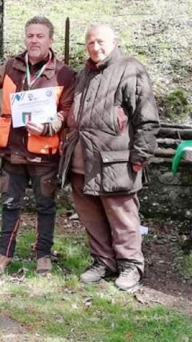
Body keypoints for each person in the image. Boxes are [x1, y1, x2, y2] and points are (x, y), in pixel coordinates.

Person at [0, 16, 76, 276]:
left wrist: (49, 127)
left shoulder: (64, 74)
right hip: (13, 152)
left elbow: (68, 112)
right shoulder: (12, 67)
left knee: (45, 207)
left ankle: (43, 256)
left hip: (44, 154)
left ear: (51, 40)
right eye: (30, 35)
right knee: (10, 204)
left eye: (40, 36)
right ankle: (4, 253)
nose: (34, 40)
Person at [60, 24, 159, 292]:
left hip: (116, 162)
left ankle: (130, 265)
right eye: (90, 43)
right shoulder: (83, 74)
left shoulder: (130, 69)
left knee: (123, 217)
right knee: (91, 217)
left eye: (100, 41)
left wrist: (140, 156)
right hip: (81, 162)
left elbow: (147, 118)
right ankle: (103, 261)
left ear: (114, 41)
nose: (95, 47)